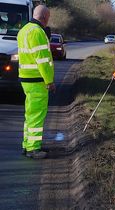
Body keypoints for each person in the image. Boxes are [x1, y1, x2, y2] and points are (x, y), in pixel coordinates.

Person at [17, 5, 55, 159]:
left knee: (30, 114)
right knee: (37, 114)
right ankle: (33, 148)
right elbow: (43, 61)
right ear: (45, 17)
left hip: (26, 79)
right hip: (37, 80)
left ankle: (27, 144)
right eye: (48, 18)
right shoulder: (38, 32)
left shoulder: (24, 30)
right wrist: (49, 81)